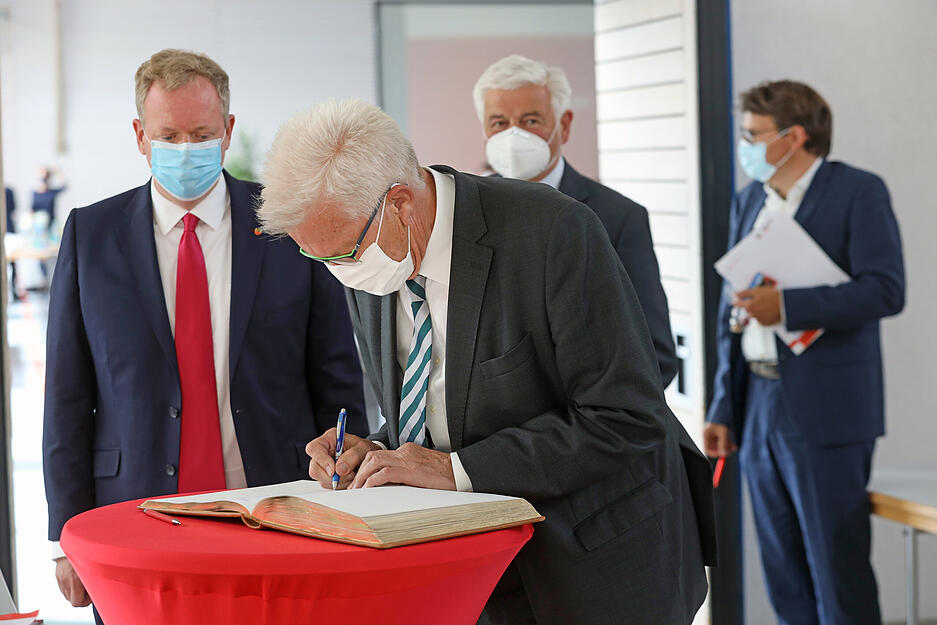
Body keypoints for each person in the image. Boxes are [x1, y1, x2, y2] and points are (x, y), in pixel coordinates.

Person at [257, 99, 716, 625]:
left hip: (591, 566)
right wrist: (376, 451)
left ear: (401, 203)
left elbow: (625, 416)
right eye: (318, 259)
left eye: (342, 255)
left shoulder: (552, 231)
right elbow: (434, 400)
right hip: (467, 571)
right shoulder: (370, 251)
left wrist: (454, 468)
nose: (339, 273)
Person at [42, 50, 368, 621]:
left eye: (201, 133)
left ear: (229, 131)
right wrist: (65, 534)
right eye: (169, 134)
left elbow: (337, 376)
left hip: (278, 509)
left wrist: (352, 495)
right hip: (134, 522)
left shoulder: (288, 223)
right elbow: (67, 396)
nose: (186, 148)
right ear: (141, 136)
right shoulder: (91, 236)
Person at [705, 80, 904, 625]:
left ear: (794, 137)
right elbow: (735, 307)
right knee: (782, 568)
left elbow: (886, 290)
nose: (744, 145)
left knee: (836, 568)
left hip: (827, 407)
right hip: (759, 401)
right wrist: (724, 405)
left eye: (752, 135)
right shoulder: (749, 199)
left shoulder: (858, 192)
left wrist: (788, 306)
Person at [473, 55, 677, 387]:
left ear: (564, 125)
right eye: (499, 123)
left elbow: (655, 354)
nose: (513, 136)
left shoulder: (618, 218)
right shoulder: (464, 213)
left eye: (530, 120)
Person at [31, 166, 66, 234]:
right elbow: (32, 208)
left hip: (51, 223)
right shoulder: (35, 193)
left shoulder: (51, 192)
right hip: (39, 225)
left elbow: (64, 186)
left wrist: (58, 172)